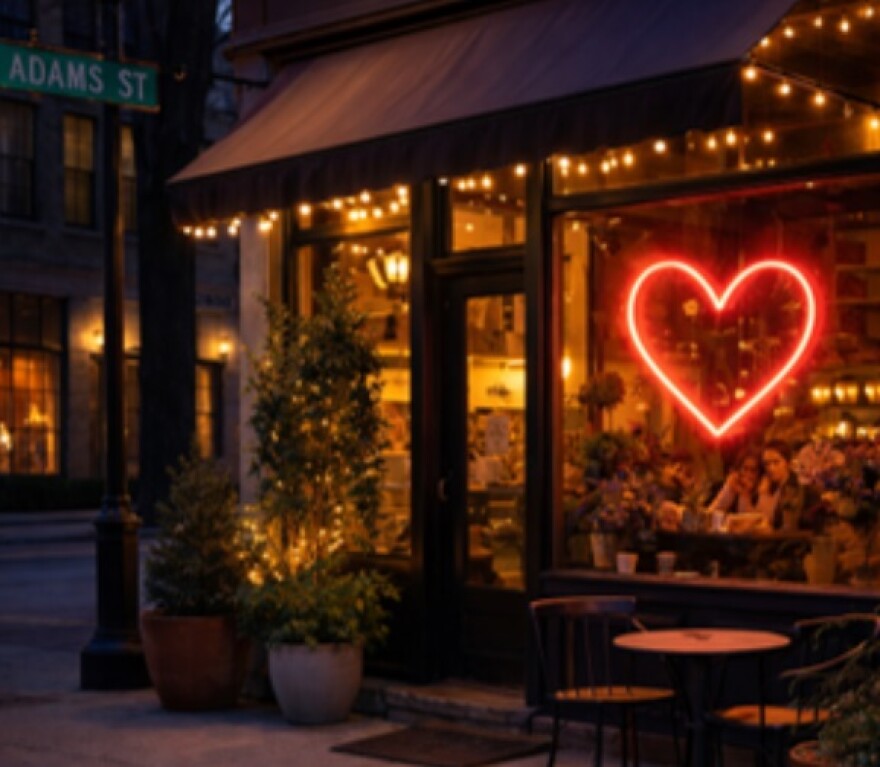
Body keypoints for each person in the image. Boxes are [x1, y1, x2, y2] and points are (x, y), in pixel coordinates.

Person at [757, 440, 808, 530]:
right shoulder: (771, 485)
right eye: (767, 464)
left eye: (776, 462)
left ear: (787, 463)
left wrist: (764, 495)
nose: (771, 468)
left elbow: (788, 526)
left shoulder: (793, 488)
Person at [709, 449, 763, 516]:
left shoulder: (762, 492)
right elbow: (711, 513)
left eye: (753, 470)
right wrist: (728, 488)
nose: (748, 474)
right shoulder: (732, 486)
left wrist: (744, 494)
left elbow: (747, 519)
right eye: (745, 469)